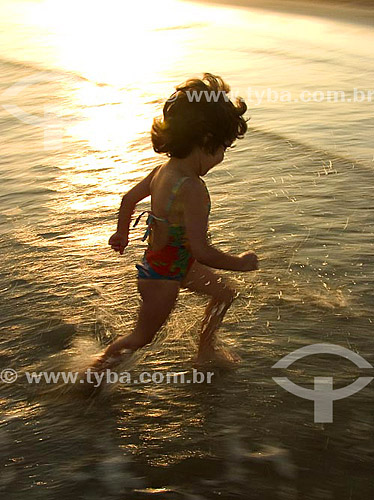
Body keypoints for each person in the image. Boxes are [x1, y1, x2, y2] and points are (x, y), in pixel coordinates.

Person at [93, 73, 258, 371]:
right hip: (162, 277)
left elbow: (128, 200)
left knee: (224, 294)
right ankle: (91, 374)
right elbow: (202, 250)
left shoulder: (163, 170)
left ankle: (205, 351)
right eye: (222, 149)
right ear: (207, 141)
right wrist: (241, 263)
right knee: (141, 337)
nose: (221, 157)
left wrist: (121, 234)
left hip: (173, 264)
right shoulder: (192, 188)